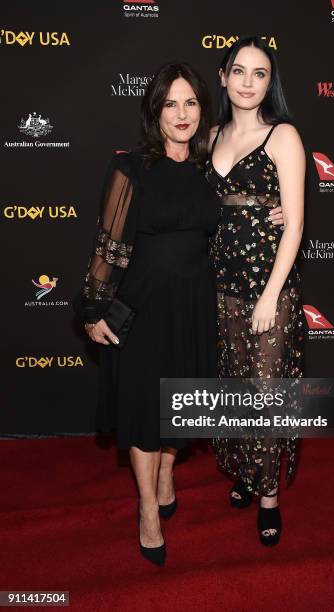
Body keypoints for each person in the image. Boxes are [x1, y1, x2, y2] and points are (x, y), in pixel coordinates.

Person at [76, 62, 222, 566]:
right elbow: (108, 243)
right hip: (142, 307)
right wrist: (93, 308)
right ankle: (147, 511)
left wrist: (273, 207)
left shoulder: (208, 168)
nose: (181, 115)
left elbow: (228, 213)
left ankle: (165, 473)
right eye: (170, 104)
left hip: (192, 307)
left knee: (178, 404)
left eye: (191, 103)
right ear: (154, 111)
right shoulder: (132, 168)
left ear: (203, 110)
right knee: (144, 411)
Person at [205, 36, 305, 546]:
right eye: (238, 71)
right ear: (222, 76)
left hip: (268, 289)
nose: (247, 82)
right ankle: (245, 470)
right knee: (236, 387)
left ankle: (269, 497)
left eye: (259, 73)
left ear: (270, 82)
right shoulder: (210, 135)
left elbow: (295, 226)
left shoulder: (282, 136)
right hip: (220, 286)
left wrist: (271, 296)